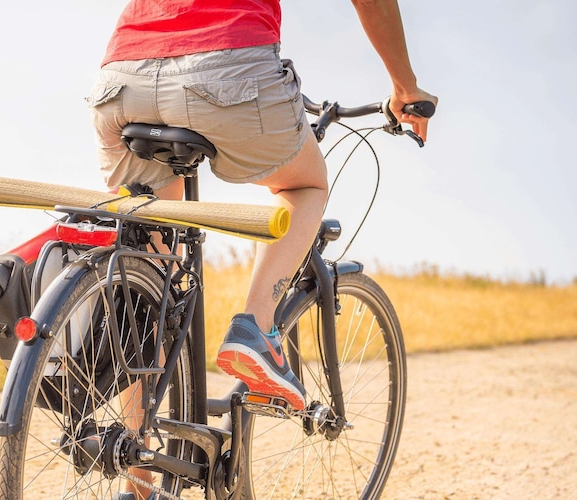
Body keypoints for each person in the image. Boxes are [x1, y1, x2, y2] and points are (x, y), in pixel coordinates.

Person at [88, 2, 435, 497]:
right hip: (226, 67)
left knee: (149, 272)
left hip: (121, 81)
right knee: (305, 185)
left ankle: (138, 479)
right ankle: (256, 328)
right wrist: (405, 87)